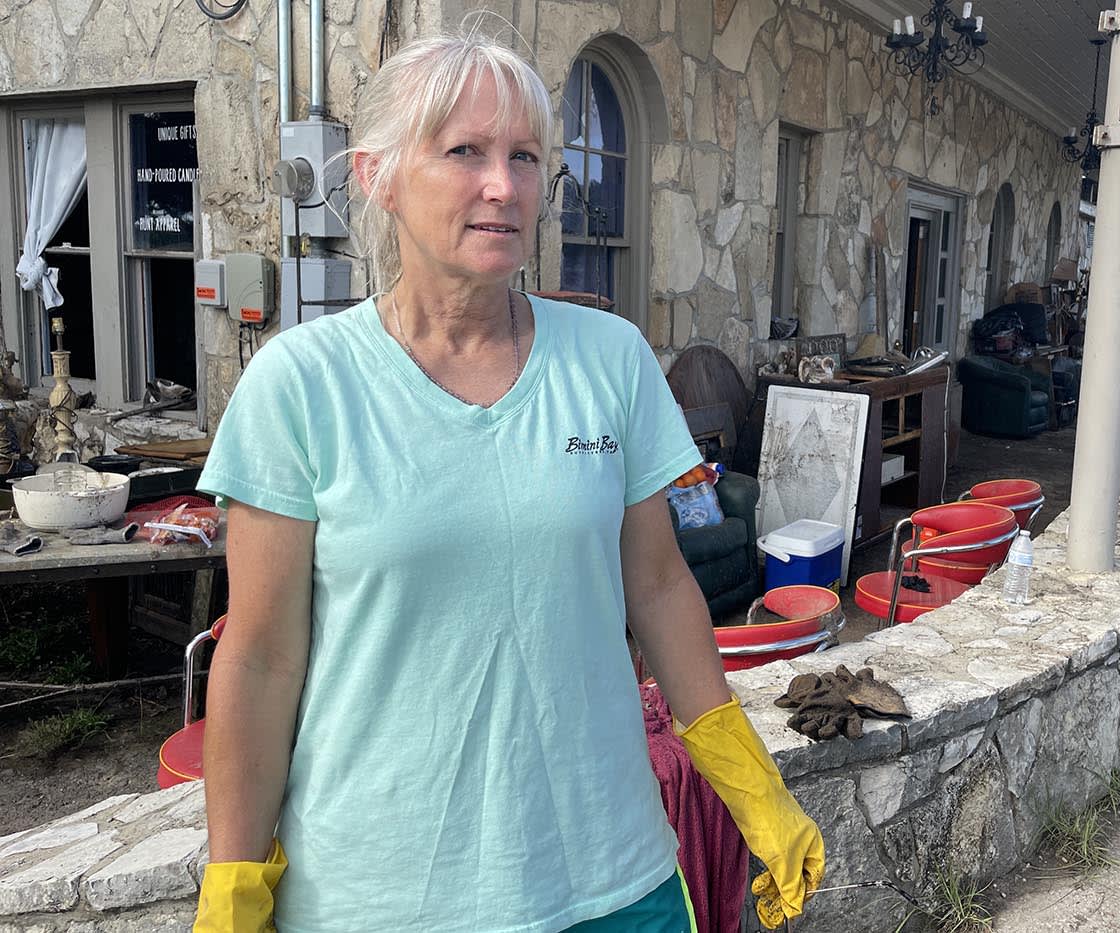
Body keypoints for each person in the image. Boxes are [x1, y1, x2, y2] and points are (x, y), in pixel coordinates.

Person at [192, 27, 824, 933]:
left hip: (612, 880)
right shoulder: (301, 385)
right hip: (376, 899)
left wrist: (754, 791)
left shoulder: (610, 359)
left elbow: (657, 587)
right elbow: (257, 659)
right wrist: (235, 887)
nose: (505, 185)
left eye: (526, 156)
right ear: (379, 177)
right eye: (466, 152)